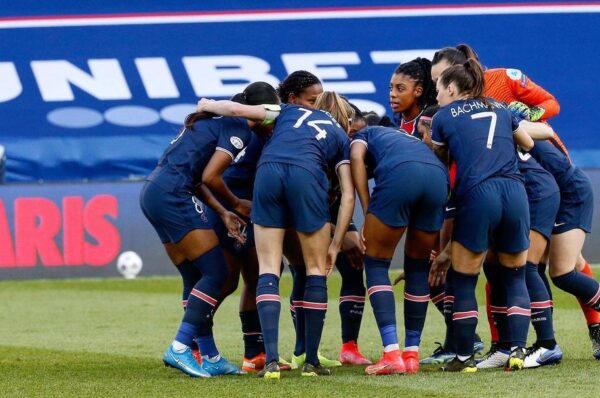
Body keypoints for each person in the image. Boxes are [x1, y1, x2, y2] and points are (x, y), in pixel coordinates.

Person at [431, 43, 600, 360]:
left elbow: (549, 109)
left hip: (555, 184)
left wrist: (524, 118)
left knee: (549, 269)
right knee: (511, 268)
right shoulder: (475, 112)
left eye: (441, 79)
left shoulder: (497, 91)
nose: (438, 88)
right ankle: (508, 346)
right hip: (528, 187)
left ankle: (552, 343)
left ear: (459, 77)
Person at [196, 91, 355, 379]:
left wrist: (207, 105)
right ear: (343, 117)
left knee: (268, 268)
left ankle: (269, 362)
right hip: (307, 175)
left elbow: (235, 109)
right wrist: (335, 243)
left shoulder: (288, 111)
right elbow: (347, 196)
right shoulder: (341, 137)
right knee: (316, 269)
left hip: (268, 172)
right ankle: (311, 363)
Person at [140, 82, 279, 378]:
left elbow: (199, 179)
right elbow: (211, 176)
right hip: (174, 195)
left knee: (194, 275)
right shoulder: (238, 127)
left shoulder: (214, 122)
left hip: (153, 192)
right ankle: (179, 347)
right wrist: (237, 204)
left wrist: (223, 212)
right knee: (215, 273)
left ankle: (210, 356)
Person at [431, 59, 535, 372]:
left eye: (438, 90)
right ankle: (517, 350)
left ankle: (463, 357)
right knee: (515, 276)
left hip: (477, 194)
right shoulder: (501, 108)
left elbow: (438, 159)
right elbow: (528, 143)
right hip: (515, 193)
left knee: (463, 279)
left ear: (451, 88)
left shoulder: (443, 116)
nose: (437, 97)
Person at [278, 71, 369, 368]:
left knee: (354, 263)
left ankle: (349, 347)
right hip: (297, 209)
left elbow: (345, 195)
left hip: (328, 210)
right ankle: (303, 350)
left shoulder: (341, 139)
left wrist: (345, 232)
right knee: (303, 270)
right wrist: (334, 232)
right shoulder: (300, 135)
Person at [351, 125, 448, 375]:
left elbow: (355, 158)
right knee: (417, 267)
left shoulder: (363, 134)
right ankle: (411, 355)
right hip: (438, 177)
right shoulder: (405, 137)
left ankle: (392, 353)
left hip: (401, 175)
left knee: (375, 262)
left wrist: (367, 206)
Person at [389, 58, 437, 136]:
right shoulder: (392, 124)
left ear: (418, 91)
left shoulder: (431, 127)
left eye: (400, 89)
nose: (392, 94)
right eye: (391, 88)